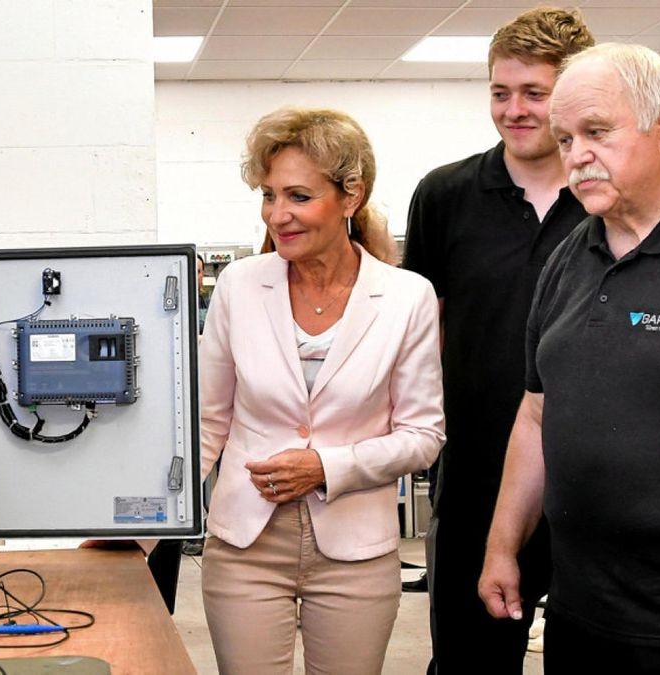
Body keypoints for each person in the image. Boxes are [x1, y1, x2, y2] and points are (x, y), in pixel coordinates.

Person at [480, 43, 660, 673]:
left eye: (596, 132)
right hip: (581, 613)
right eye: (565, 139)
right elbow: (536, 415)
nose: (576, 155)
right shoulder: (568, 259)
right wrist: (503, 545)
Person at [199, 107, 444, 674]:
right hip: (244, 544)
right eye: (268, 195)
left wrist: (326, 466)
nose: (278, 215)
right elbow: (208, 421)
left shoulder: (407, 297)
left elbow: (423, 435)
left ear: (351, 195)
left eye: (299, 197)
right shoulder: (240, 284)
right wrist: (146, 529)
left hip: (356, 551)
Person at [402, 7, 594, 672]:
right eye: (499, 91)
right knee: (468, 660)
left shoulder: (610, 199)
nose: (513, 110)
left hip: (592, 477)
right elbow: (420, 329)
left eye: (534, 93)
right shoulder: (446, 195)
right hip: (476, 473)